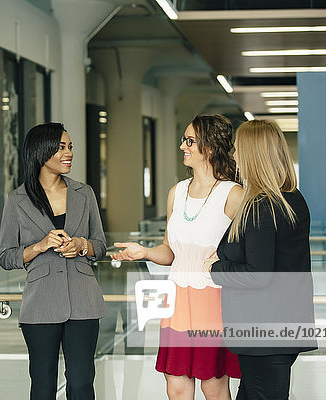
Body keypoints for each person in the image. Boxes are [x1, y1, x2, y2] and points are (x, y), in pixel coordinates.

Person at [112, 114, 243, 400]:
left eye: (190, 141)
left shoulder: (233, 194)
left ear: (209, 147)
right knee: (175, 385)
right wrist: (144, 252)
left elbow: (247, 252)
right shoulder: (177, 192)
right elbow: (170, 252)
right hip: (177, 300)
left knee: (214, 386)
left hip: (214, 300)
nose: (182, 146)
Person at [205, 119, 317, 400]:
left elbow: (258, 274)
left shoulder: (260, 206)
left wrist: (217, 268)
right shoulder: (293, 199)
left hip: (262, 332)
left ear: (253, 155)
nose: (233, 157)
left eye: (238, 150)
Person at [0, 122, 107, 400]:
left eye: (70, 147)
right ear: (40, 152)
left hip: (84, 302)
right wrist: (39, 246)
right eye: (61, 147)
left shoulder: (85, 193)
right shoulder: (17, 200)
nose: (68, 153)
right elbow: (6, 256)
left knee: (82, 384)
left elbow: (101, 246)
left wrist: (83, 245)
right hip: (40, 304)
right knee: (43, 385)